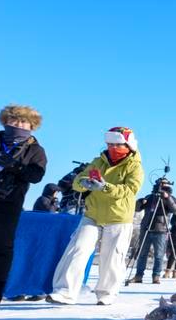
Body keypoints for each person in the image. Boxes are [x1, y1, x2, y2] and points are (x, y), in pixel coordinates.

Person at [47, 127, 144, 305]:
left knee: (112, 257)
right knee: (77, 249)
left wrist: (105, 187)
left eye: (117, 144)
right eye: (110, 144)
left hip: (118, 217)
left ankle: (107, 293)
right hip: (92, 214)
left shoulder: (135, 166)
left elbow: (130, 190)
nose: (113, 148)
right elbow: (77, 181)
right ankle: (64, 291)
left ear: (128, 145)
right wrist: (83, 183)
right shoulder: (98, 161)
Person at [0, 105, 47, 306]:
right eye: (13, 121)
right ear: (5, 122)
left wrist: (12, 164)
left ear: (32, 126)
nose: (18, 125)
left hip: (5, 207)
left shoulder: (35, 151)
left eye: (23, 122)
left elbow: (36, 176)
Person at [132, 179, 176, 284]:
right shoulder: (150, 197)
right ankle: (138, 276)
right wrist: (140, 202)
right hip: (146, 228)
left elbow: (175, 210)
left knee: (159, 255)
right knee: (142, 253)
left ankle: (156, 276)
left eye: (164, 183)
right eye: (160, 183)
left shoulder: (171, 198)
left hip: (161, 230)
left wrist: (167, 198)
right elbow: (136, 209)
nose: (161, 185)